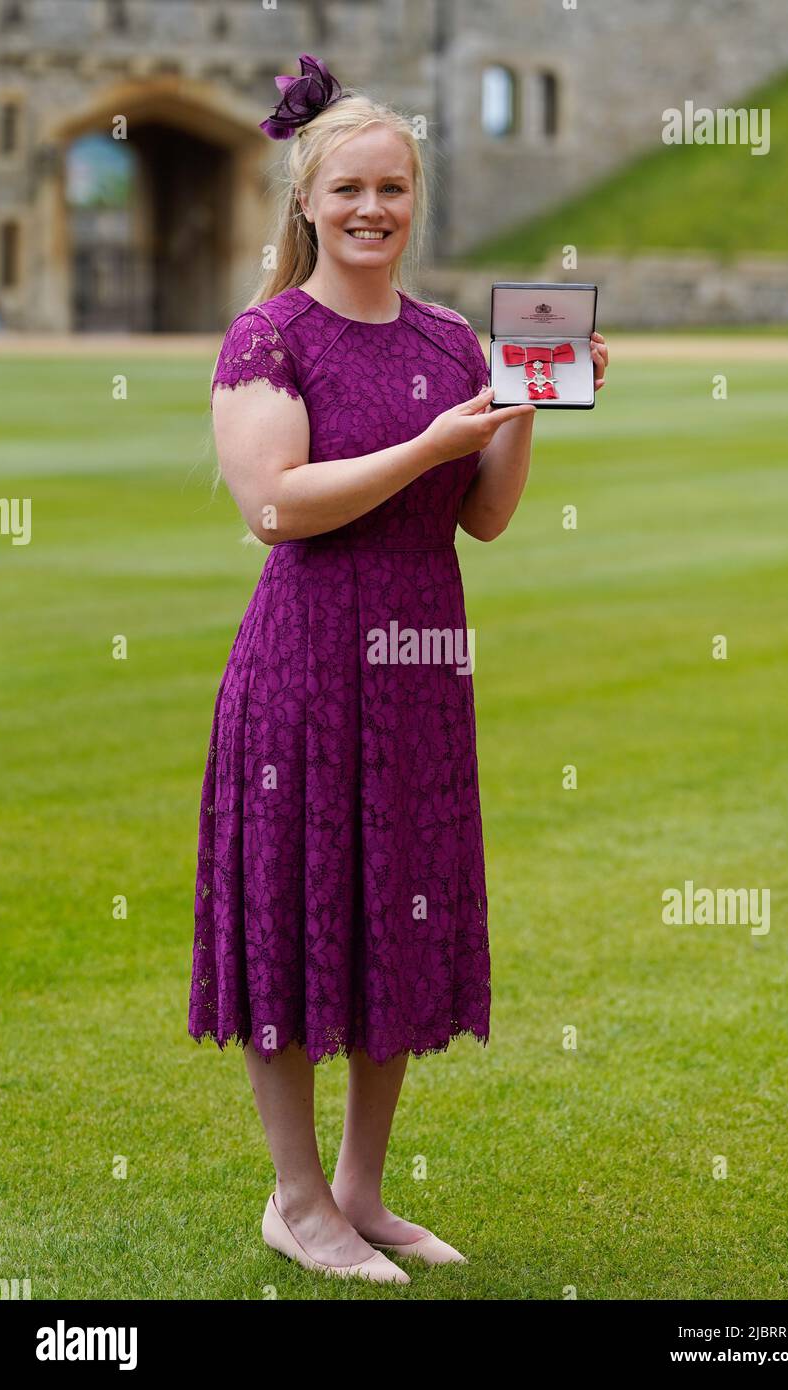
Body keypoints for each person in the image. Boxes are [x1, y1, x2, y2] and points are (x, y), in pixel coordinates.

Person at [188, 54, 609, 1285]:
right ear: (306, 203)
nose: (372, 210)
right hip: (305, 667)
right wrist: (425, 439)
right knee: (296, 916)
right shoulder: (267, 335)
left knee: (394, 919)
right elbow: (275, 506)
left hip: (422, 663)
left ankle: (364, 1192)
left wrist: (521, 403)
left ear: (412, 200)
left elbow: (478, 520)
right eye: (349, 190)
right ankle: (296, 1197)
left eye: (393, 190)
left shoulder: (444, 336)